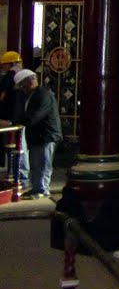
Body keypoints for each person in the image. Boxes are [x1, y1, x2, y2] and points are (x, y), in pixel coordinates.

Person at [2, 69, 61, 199]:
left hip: (46, 135)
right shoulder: (33, 96)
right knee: (36, 163)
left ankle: (42, 189)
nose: (22, 89)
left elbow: (35, 116)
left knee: (43, 163)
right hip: (37, 136)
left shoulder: (43, 95)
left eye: (23, 85)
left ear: (30, 81)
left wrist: (12, 123)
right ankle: (36, 188)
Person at [0, 50, 28, 189]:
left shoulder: (10, 76)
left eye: (4, 65)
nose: (2, 68)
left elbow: (3, 96)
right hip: (20, 116)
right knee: (20, 147)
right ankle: (17, 175)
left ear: (10, 64)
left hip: (10, 118)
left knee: (16, 146)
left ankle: (18, 177)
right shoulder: (22, 75)